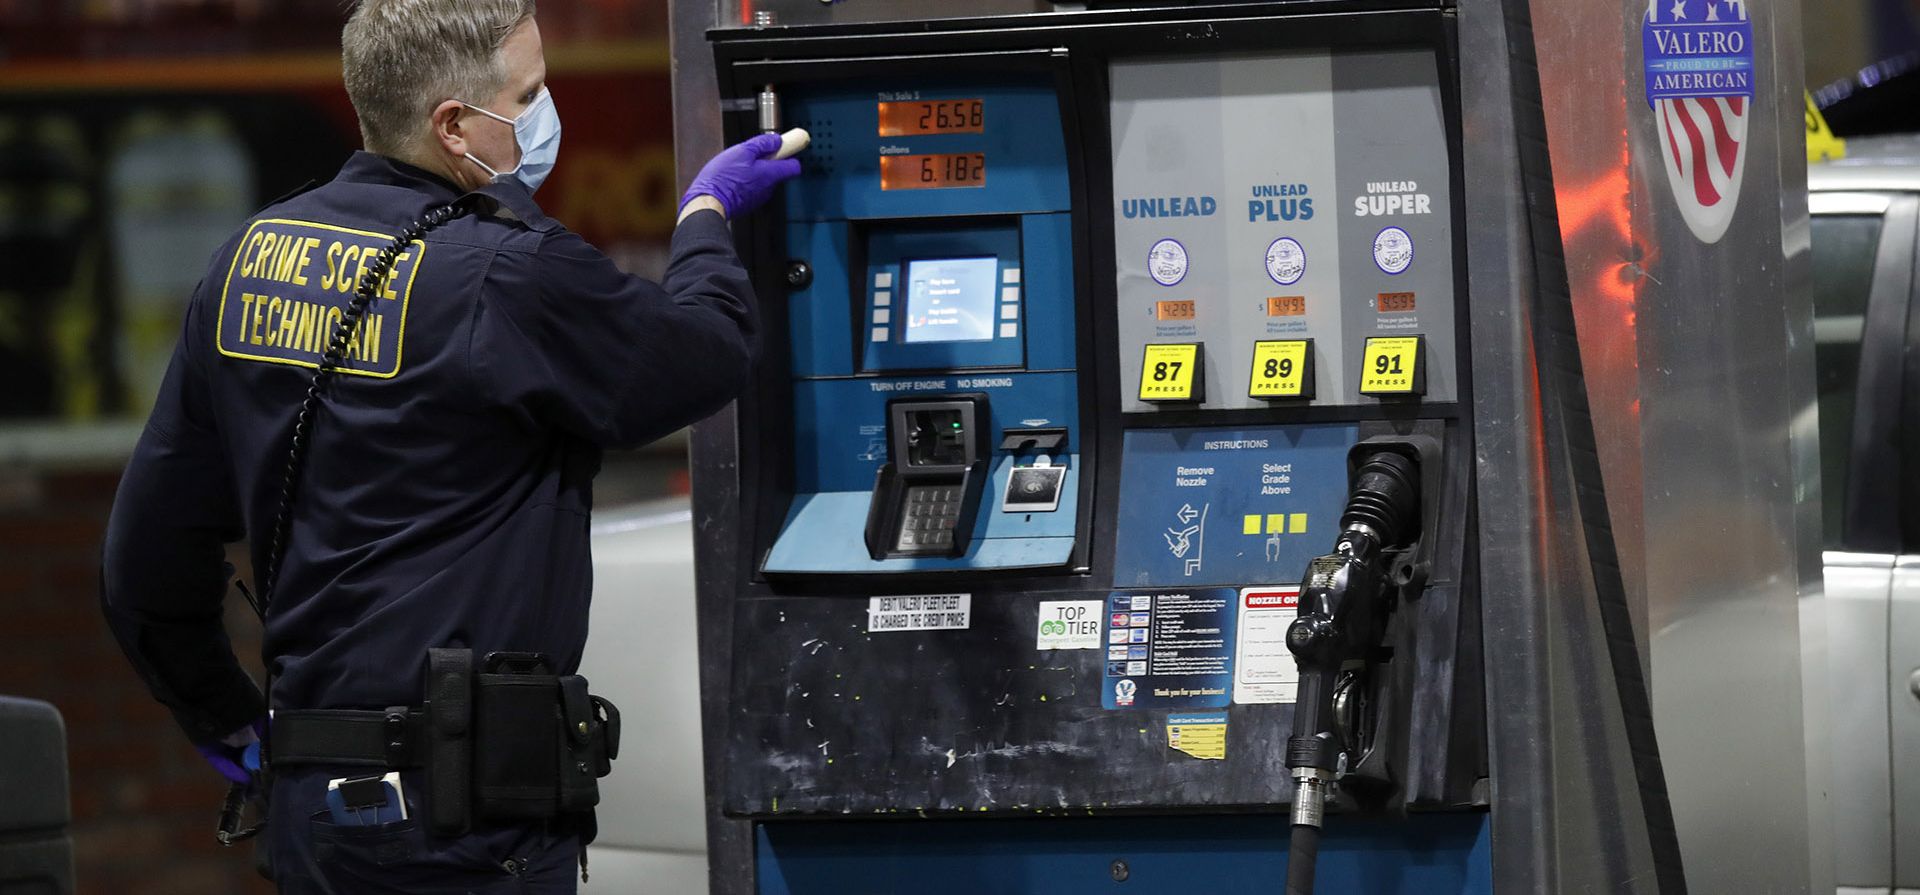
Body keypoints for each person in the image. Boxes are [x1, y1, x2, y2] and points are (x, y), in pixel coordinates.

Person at [97, 1, 799, 891]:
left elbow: (143, 564)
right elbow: (704, 357)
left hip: (315, 814)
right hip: (461, 826)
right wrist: (706, 217)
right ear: (454, 127)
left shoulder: (247, 258)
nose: (546, 112)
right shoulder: (506, 271)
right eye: (530, 91)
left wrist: (231, 724)